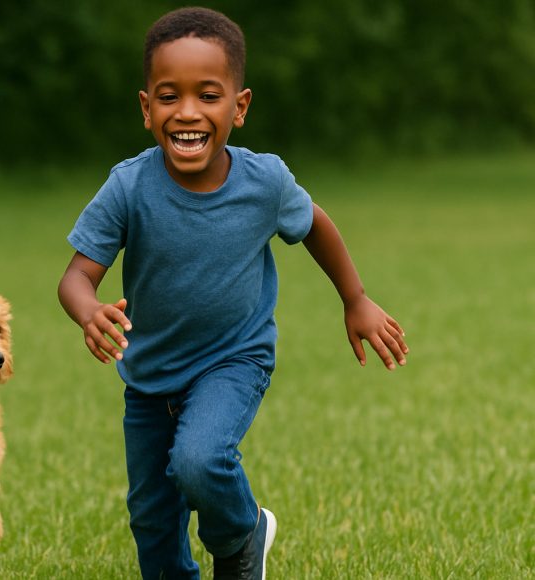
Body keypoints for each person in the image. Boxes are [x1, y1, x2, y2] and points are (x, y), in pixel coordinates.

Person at [57, 7, 408, 579]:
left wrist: (355, 298)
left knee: (199, 461)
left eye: (208, 96)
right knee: (151, 519)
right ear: (146, 108)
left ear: (238, 108)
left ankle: (241, 536)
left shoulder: (264, 182)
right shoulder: (129, 186)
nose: (187, 112)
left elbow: (315, 224)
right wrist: (88, 310)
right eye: (168, 96)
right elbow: (76, 277)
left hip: (232, 360)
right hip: (149, 377)